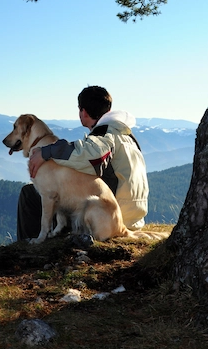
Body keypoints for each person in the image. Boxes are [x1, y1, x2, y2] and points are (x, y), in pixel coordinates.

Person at [16, 85, 149, 240]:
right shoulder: (126, 136)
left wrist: (46, 152)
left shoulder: (104, 136)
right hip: (131, 217)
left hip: (108, 217)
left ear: (83, 112)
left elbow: (91, 155)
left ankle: (33, 244)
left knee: (31, 195)